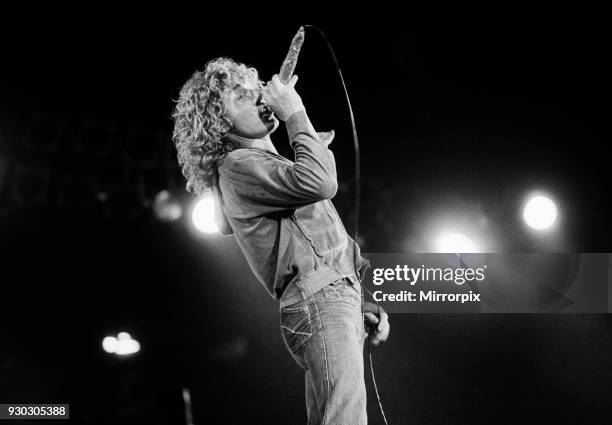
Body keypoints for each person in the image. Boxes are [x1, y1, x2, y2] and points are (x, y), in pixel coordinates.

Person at [172, 57, 390, 424]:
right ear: (219, 122)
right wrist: (296, 115)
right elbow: (321, 182)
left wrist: (358, 300)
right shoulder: (238, 165)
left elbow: (319, 235)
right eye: (240, 97)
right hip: (320, 300)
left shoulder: (259, 164)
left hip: (331, 297)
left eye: (254, 90)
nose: (256, 98)